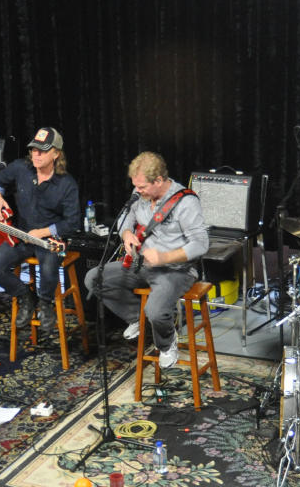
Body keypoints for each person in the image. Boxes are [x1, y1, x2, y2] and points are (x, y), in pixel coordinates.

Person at [85, 151, 208, 368]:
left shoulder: (186, 203)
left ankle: (167, 342)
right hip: (141, 264)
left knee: (156, 311)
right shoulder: (140, 194)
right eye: (136, 186)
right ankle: (136, 318)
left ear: (159, 180)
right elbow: (125, 220)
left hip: (175, 270)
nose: (138, 191)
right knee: (94, 278)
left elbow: (200, 244)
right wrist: (126, 235)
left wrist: (164, 257)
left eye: (142, 187)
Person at [0, 127, 80, 331]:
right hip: (21, 235)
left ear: (56, 153)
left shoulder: (67, 184)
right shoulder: (21, 168)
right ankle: (25, 297)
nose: (36, 154)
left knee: (48, 268)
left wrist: (44, 232)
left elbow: (73, 223)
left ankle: (46, 303)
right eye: (34, 149)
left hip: (50, 239)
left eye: (43, 150)